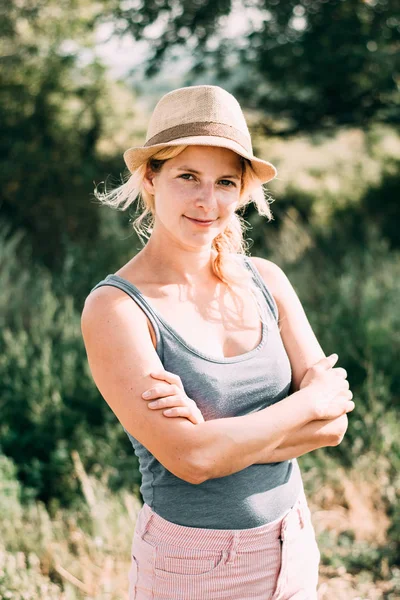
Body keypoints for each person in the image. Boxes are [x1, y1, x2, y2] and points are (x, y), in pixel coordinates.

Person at [81, 85, 354, 600]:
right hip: (193, 564)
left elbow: (333, 426)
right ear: (150, 179)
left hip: (292, 540)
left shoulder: (267, 281)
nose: (209, 201)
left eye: (226, 182)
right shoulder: (117, 309)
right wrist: (307, 403)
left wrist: (217, 441)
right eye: (188, 177)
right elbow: (191, 462)